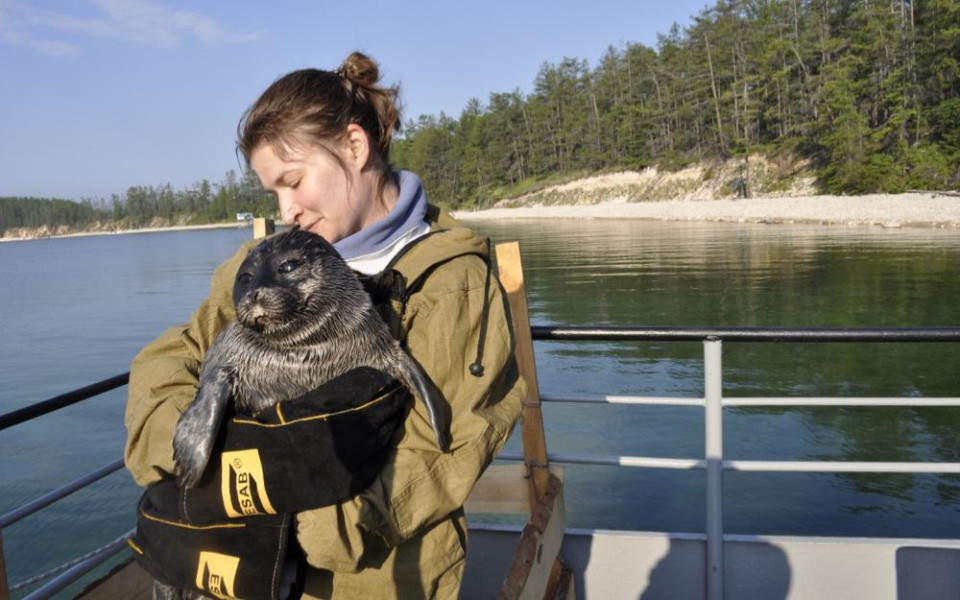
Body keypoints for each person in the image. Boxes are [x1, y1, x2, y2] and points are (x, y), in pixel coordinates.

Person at [124, 51, 524, 599]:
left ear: (355, 148)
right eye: (274, 194)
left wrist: (286, 523)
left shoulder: (451, 280)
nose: (286, 209)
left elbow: (439, 455)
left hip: (371, 582)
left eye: (294, 181)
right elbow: (168, 361)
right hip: (239, 572)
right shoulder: (260, 265)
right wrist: (204, 461)